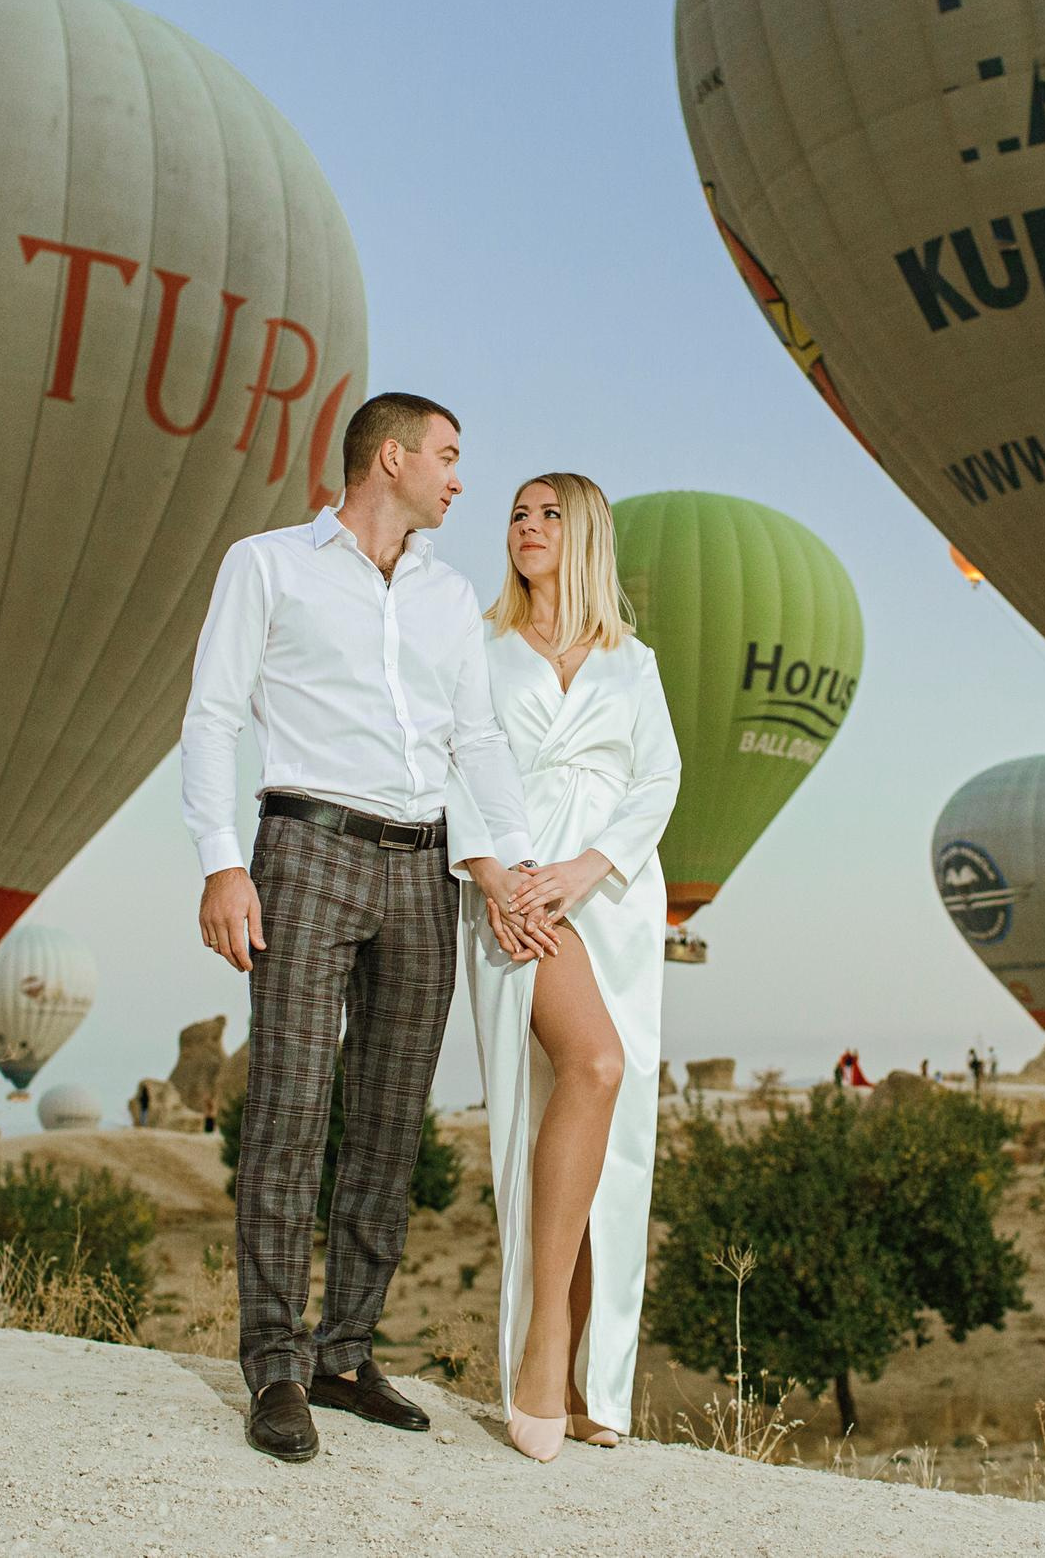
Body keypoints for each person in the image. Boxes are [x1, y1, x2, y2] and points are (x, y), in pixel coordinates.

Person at [184, 392, 547, 1466]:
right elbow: (211, 714)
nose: (459, 478)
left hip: (422, 864)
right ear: (388, 459)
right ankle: (275, 1366)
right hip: (304, 848)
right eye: (446, 455)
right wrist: (218, 861)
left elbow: (475, 740)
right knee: (291, 1108)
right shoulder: (268, 565)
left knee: (388, 1124)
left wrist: (512, 865)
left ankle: (345, 1353)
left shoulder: (447, 598)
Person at [450, 472, 680, 1464]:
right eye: (516, 513)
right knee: (592, 1067)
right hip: (515, 891)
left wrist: (592, 868)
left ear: (583, 534)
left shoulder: (634, 665)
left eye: (548, 514)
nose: (526, 527)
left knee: (610, 1136)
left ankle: (594, 1380)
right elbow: (450, 760)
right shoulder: (479, 648)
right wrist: (497, 879)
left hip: (611, 895)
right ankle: (543, 1345)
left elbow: (658, 776)